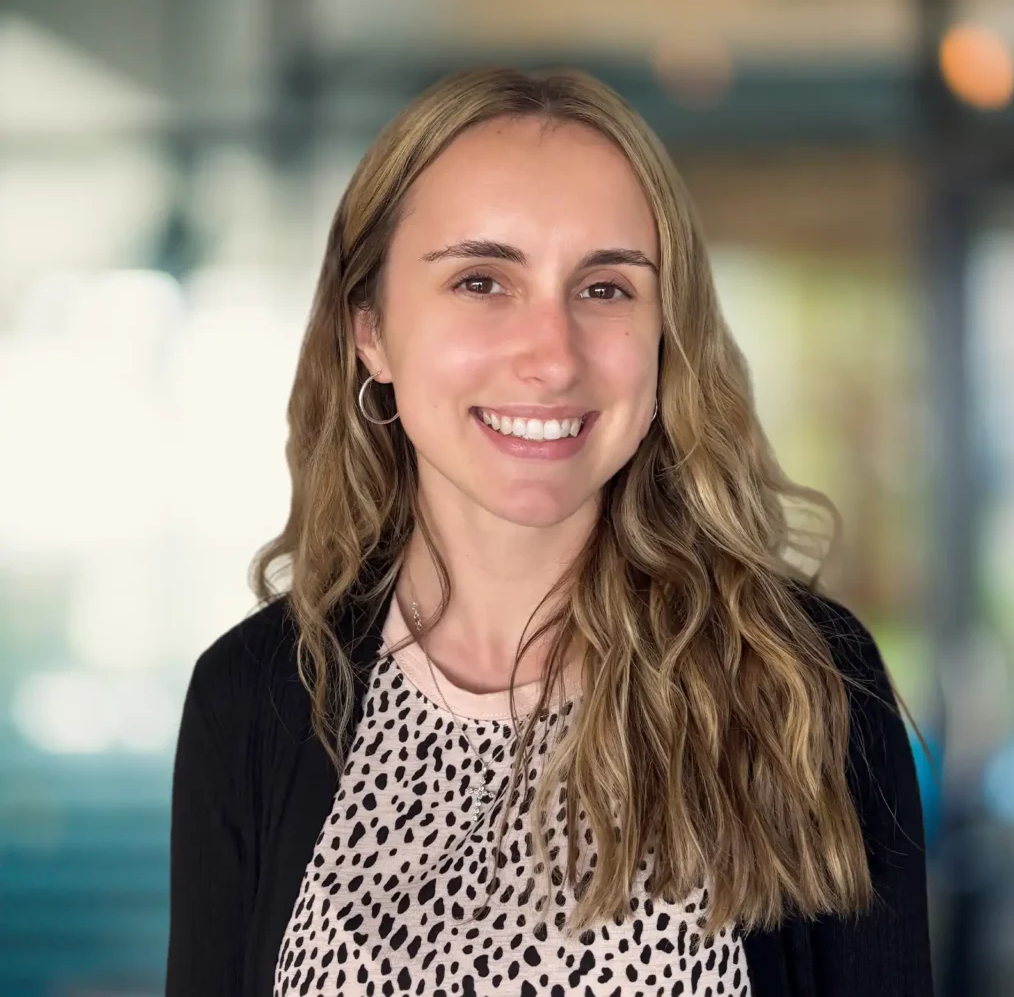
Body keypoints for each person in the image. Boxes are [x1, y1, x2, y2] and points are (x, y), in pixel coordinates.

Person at [165, 67, 934, 997]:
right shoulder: (254, 700)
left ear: (665, 334)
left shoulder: (803, 685)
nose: (552, 355)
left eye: (606, 288)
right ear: (370, 330)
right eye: (482, 279)